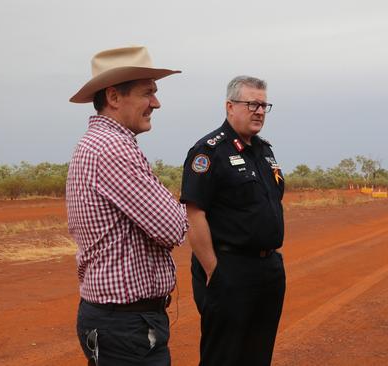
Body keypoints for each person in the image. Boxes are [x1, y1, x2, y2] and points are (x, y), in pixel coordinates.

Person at [66, 46, 188, 366]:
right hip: (126, 325)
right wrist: (179, 207)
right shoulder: (113, 148)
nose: (156, 103)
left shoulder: (104, 144)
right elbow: (172, 228)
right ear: (114, 97)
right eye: (148, 93)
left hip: (120, 321)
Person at [181, 76, 286, 366]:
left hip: (268, 269)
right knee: (224, 356)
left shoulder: (265, 151)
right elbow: (195, 214)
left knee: (258, 354)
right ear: (230, 106)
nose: (260, 111)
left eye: (264, 105)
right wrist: (214, 270)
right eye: (252, 103)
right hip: (230, 269)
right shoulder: (209, 151)